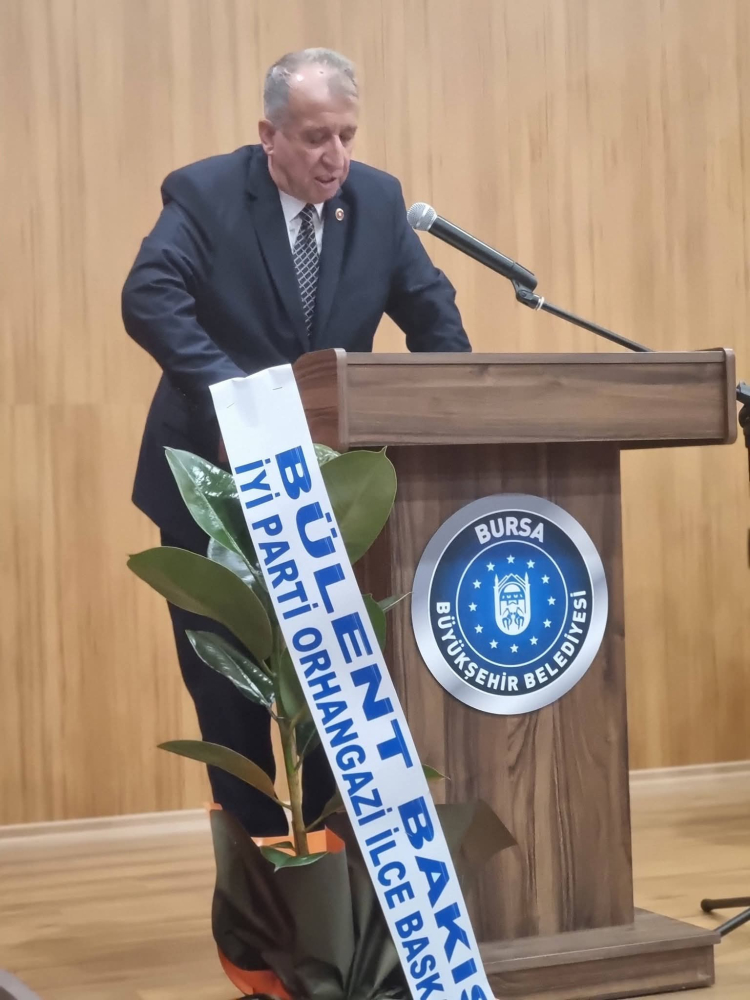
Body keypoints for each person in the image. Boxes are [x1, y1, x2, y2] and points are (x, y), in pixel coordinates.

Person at [122, 47, 470, 835]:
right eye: (316, 137)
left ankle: (331, 878)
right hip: (217, 488)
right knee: (233, 703)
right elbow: (149, 295)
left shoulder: (376, 201)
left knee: (333, 699)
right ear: (269, 135)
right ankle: (256, 880)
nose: (335, 156)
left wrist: (446, 415)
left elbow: (434, 317)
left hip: (331, 496)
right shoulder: (206, 193)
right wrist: (243, 400)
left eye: (347, 135)